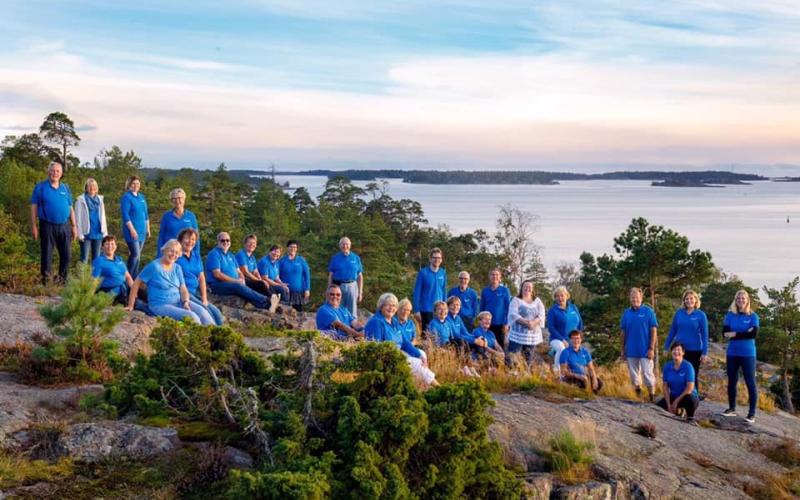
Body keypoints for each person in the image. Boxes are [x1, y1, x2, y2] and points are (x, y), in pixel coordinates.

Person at [126, 240, 214, 325]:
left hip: (179, 302)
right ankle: (199, 338)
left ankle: (216, 336)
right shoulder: (154, 266)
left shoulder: (177, 268)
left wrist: (185, 302)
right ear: (164, 250)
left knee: (203, 312)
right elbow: (136, 283)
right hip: (160, 305)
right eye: (171, 251)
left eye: (176, 253)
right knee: (192, 317)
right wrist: (131, 305)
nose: (173, 255)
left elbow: (183, 288)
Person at [364, 293, 438, 386]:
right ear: (381, 306)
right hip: (387, 358)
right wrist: (399, 355)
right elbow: (376, 348)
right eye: (388, 305)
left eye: (394, 305)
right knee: (417, 363)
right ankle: (438, 387)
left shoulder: (394, 321)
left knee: (422, 354)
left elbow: (405, 343)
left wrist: (419, 355)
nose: (391, 308)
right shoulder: (376, 322)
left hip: (398, 353)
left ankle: (422, 387)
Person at [30, 161, 77, 284]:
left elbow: (71, 207)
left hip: (65, 225)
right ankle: (47, 282)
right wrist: (34, 226)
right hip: (47, 224)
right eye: (52, 170)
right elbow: (34, 206)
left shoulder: (65, 188)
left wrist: (74, 226)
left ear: (61, 174)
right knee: (47, 254)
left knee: (66, 254)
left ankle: (63, 280)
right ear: (48, 172)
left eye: (57, 171)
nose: (55, 173)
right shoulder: (40, 187)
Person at [206, 232, 273, 311]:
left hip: (233, 282)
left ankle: (265, 305)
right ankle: (266, 300)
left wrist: (242, 279)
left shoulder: (231, 255)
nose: (225, 242)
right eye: (222, 240)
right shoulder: (214, 254)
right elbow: (217, 274)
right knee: (238, 286)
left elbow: (239, 271)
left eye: (227, 240)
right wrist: (236, 281)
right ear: (218, 242)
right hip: (217, 285)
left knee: (251, 284)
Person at [722, 290, 759, 423]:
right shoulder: (730, 315)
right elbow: (724, 333)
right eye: (739, 298)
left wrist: (734, 334)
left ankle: (752, 413)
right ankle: (732, 408)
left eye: (743, 298)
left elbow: (752, 335)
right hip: (732, 353)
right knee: (732, 381)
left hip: (748, 354)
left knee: (750, 382)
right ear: (735, 300)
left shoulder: (753, 316)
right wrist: (743, 332)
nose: (741, 300)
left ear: (748, 300)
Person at [175, 228, 224, 325]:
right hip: (183, 292)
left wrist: (204, 298)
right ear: (180, 240)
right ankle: (213, 337)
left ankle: (221, 335)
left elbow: (201, 277)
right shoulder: (175, 255)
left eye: (193, 239)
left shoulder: (196, 255)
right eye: (187, 238)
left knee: (217, 313)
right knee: (207, 312)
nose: (190, 242)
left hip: (195, 292)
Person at [663, 290, 708, 393]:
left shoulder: (701, 315)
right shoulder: (679, 313)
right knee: (679, 374)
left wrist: (705, 353)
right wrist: (666, 347)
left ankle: (694, 396)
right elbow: (672, 331)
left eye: (691, 298)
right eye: (686, 299)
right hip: (679, 350)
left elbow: (705, 335)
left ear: (696, 300)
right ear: (684, 301)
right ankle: (679, 395)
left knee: (692, 374)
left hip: (695, 350)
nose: (689, 301)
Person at [620, 287, 658, 401]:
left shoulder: (648, 311)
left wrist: (651, 348)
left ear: (641, 298)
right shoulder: (626, 313)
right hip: (631, 349)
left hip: (645, 350)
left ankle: (652, 396)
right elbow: (623, 332)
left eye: (637, 297)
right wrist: (622, 349)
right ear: (629, 299)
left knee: (647, 374)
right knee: (634, 375)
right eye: (632, 297)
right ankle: (638, 394)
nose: (634, 299)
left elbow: (654, 330)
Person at [506, 280, 546, 369]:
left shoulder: (537, 301)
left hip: (531, 336)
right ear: (522, 288)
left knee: (529, 359)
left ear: (532, 289)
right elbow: (513, 314)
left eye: (530, 287)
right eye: (525, 287)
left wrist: (533, 323)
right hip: (517, 336)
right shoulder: (516, 300)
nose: (527, 289)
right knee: (513, 358)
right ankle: (512, 375)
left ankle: (526, 376)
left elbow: (542, 314)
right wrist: (527, 323)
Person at [656, 342, 699, 423]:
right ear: (671, 352)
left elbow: (689, 388)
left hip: (686, 397)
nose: (676, 352)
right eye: (674, 350)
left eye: (679, 350)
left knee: (691, 399)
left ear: (683, 352)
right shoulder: (667, 366)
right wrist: (668, 404)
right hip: (674, 396)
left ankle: (690, 418)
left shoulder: (688, 366)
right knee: (658, 407)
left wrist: (676, 401)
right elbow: (665, 387)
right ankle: (679, 412)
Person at [236, 234, 281, 310]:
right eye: (249, 242)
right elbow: (246, 272)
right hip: (242, 279)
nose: (251, 245)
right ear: (245, 243)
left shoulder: (252, 257)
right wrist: (260, 281)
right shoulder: (241, 254)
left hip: (250, 279)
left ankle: (274, 300)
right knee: (261, 284)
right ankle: (272, 300)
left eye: (254, 243)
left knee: (266, 284)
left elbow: (256, 271)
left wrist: (262, 280)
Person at [546, 286, 584, 376]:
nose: (560, 298)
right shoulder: (553, 310)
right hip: (557, 339)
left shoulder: (574, 308)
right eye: (557, 296)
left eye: (562, 296)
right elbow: (550, 327)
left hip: (573, 339)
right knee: (561, 348)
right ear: (555, 298)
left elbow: (580, 322)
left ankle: (575, 376)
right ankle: (557, 373)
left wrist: (580, 336)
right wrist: (562, 339)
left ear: (567, 296)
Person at [120, 175, 150, 277]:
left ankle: (134, 277)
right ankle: (128, 277)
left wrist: (148, 228)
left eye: (137, 183)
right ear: (129, 185)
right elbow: (125, 215)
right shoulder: (126, 197)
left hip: (142, 230)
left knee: (138, 256)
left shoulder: (142, 197)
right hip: (131, 230)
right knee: (135, 254)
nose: (136, 185)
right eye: (133, 183)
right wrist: (132, 230)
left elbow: (145, 214)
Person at [91, 235, 134, 306]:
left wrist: (134, 291)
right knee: (140, 305)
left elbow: (128, 277)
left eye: (112, 244)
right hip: (109, 293)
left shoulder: (119, 260)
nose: (110, 246)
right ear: (102, 247)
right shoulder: (99, 261)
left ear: (116, 246)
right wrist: (89, 299)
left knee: (144, 295)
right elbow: (94, 280)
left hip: (124, 290)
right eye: (107, 244)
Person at [327, 236, 364, 318]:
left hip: (352, 286)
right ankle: (339, 327)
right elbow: (330, 275)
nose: (345, 246)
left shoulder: (356, 258)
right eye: (343, 244)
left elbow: (360, 276)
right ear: (340, 246)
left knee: (352, 310)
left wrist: (360, 292)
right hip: (338, 285)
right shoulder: (335, 258)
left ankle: (352, 328)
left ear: (350, 245)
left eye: (347, 244)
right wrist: (329, 289)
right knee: (338, 308)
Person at [156, 188, 198, 256]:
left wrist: (196, 254)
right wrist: (159, 254)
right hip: (171, 253)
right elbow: (161, 237)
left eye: (179, 198)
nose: (177, 201)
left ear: (184, 199)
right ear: (171, 201)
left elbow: (196, 237)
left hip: (186, 252)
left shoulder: (191, 216)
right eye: (174, 198)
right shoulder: (166, 216)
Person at [74, 178, 108, 264]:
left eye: (94, 186)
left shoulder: (100, 200)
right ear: (86, 188)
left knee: (96, 259)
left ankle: (94, 277)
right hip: (86, 234)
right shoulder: (80, 200)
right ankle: (82, 277)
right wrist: (79, 233)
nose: (92, 188)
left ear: (97, 188)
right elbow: (77, 218)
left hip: (98, 233)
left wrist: (105, 232)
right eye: (90, 186)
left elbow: (103, 217)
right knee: (84, 258)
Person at [413, 248, 447, 331]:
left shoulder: (443, 272)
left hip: (440, 311)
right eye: (434, 257)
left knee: (439, 335)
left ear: (441, 259)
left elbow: (444, 291)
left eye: (439, 258)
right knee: (427, 335)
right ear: (430, 259)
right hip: (426, 309)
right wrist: (417, 310)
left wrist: (445, 308)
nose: (437, 260)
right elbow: (417, 292)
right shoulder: (423, 273)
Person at [480, 269, 512, 348]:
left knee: (500, 346)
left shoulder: (505, 290)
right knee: (487, 345)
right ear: (489, 277)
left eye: (497, 274)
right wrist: (480, 321)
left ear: (500, 277)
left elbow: (509, 308)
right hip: (487, 323)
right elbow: (482, 307)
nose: (494, 276)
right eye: (492, 274)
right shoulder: (485, 290)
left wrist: (506, 323)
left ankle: (500, 360)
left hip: (500, 324)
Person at [278, 240, 311, 312]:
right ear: (287, 248)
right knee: (284, 313)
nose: (293, 249)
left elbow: (307, 275)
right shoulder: (282, 261)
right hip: (285, 293)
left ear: (296, 249)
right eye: (291, 247)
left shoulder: (301, 260)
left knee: (299, 314)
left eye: (295, 247)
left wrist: (307, 289)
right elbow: (277, 275)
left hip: (298, 293)